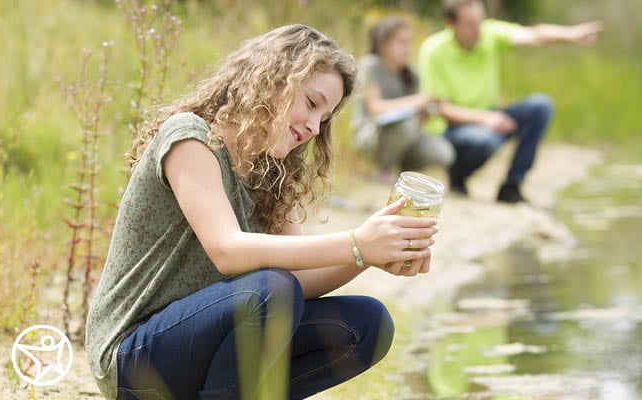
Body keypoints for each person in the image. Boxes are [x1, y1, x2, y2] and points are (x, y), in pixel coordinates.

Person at [85, 24, 439, 400]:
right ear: (271, 79)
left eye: (325, 117)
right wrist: (356, 242)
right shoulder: (190, 138)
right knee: (273, 288)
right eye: (312, 103)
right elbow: (227, 250)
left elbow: (300, 282)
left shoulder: (272, 172)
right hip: (132, 358)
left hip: (207, 352)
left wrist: (368, 255)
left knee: (368, 323)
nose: (314, 126)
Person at [419, 0, 602, 203]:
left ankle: (511, 186)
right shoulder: (433, 50)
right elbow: (437, 107)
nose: (478, 29)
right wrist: (486, 119)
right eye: (470, 24)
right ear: (451, 24)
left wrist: (570, 34)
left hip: (489, 115)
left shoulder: (489, 34)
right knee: (484, 140)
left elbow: (534, 35)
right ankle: (458, 176)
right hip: (451, 128)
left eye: (480, 21)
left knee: (540, 106)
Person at [353, 16, 455, 184]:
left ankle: (402, 174)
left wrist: (426, 112)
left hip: (404, 137)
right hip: (370, 135)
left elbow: (415, 120)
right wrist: (416, 101)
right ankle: (382, 170)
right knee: (406, 126)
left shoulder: (411, 75)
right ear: (383, 44)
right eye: (401, 42)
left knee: (443, 151)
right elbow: (376, 108)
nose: (406, 49)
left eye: (408, 43)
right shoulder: (370, 66)